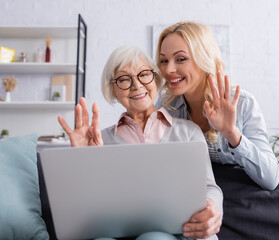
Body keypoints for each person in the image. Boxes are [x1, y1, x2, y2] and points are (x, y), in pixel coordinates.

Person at [58, 46, 223, 240]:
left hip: (181, 232)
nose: (136, 85)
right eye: (124, 79)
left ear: (156, 79)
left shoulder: (188, 131)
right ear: (113, 90)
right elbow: (81, 210)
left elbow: (208, 186)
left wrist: (212, 207)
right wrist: (81, 159)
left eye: (144, 74)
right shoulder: (98, 141)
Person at [155, 21, 279, 191]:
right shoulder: (166, 106)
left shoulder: (243, 103)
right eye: (163, 60)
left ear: (203, 59)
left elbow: (271, 178)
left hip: (241, 200)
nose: (168, 69)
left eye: (181, 59)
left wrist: (232, 134)